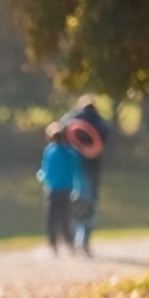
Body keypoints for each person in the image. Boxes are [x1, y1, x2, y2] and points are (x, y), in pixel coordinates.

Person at [61, 95, 111, 254]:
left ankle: (72, 240)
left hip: (71, 167)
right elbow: (106, 135)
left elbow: (60, 130)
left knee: (72, 203)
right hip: (92, 167)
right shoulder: (99, 122)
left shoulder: (70, 119)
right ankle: (84, 241)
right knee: (90, 205)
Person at [37, 122, 85, 256]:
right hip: (67, 189)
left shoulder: (49, 151)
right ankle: (70, 244)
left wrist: (42, 177)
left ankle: (53, 245)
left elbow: (45, 171)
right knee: (66, 217)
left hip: (52, 189)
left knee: (52, 218)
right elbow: (77, 172)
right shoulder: (71, 153)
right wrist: (78, 188)